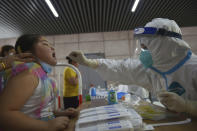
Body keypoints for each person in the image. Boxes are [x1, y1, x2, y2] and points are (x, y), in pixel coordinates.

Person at [68, 18, 197, 117]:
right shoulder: (153, 68)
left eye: (146, 48)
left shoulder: (193, 68)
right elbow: (121, 68)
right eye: (142, 48)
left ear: (165, 45)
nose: (143, 53)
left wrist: (189, 107)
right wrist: (88, 62)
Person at [0, 34, 78, 131]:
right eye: (45, 44)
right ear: (28, 53)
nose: (52, 48)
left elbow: (35, 111)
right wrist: (46, 126)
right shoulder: (28, 73)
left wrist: (60, 113)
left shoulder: (42, 75)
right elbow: (3, 115)